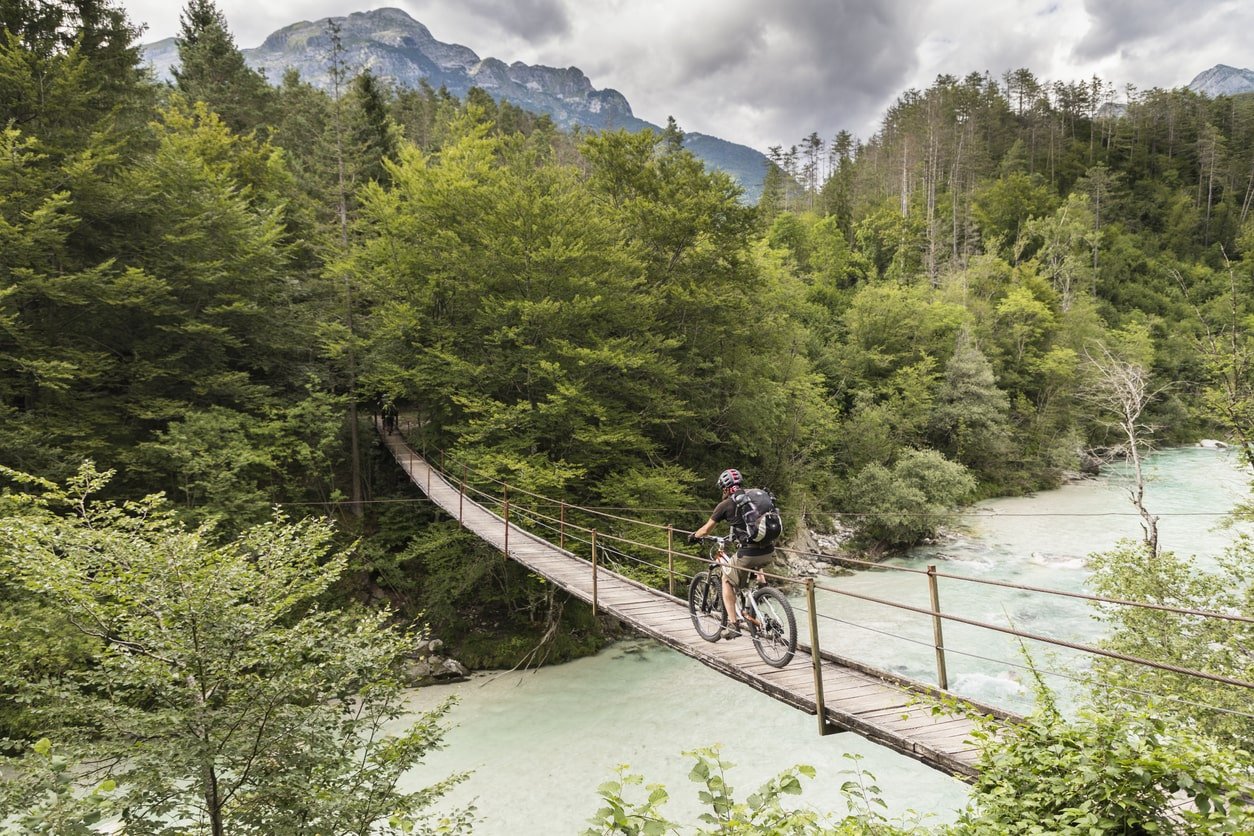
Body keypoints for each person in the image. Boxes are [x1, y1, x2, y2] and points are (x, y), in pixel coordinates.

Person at [687, 468, 775, 639]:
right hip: (769, 551)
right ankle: (761, 583)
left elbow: (705, 530)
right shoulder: (753, 497)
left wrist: (694, 536)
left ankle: (733, 626)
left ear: (726, 488)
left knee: (726, 579)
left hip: (749, 555)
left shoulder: (725, 505)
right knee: (750, 555)